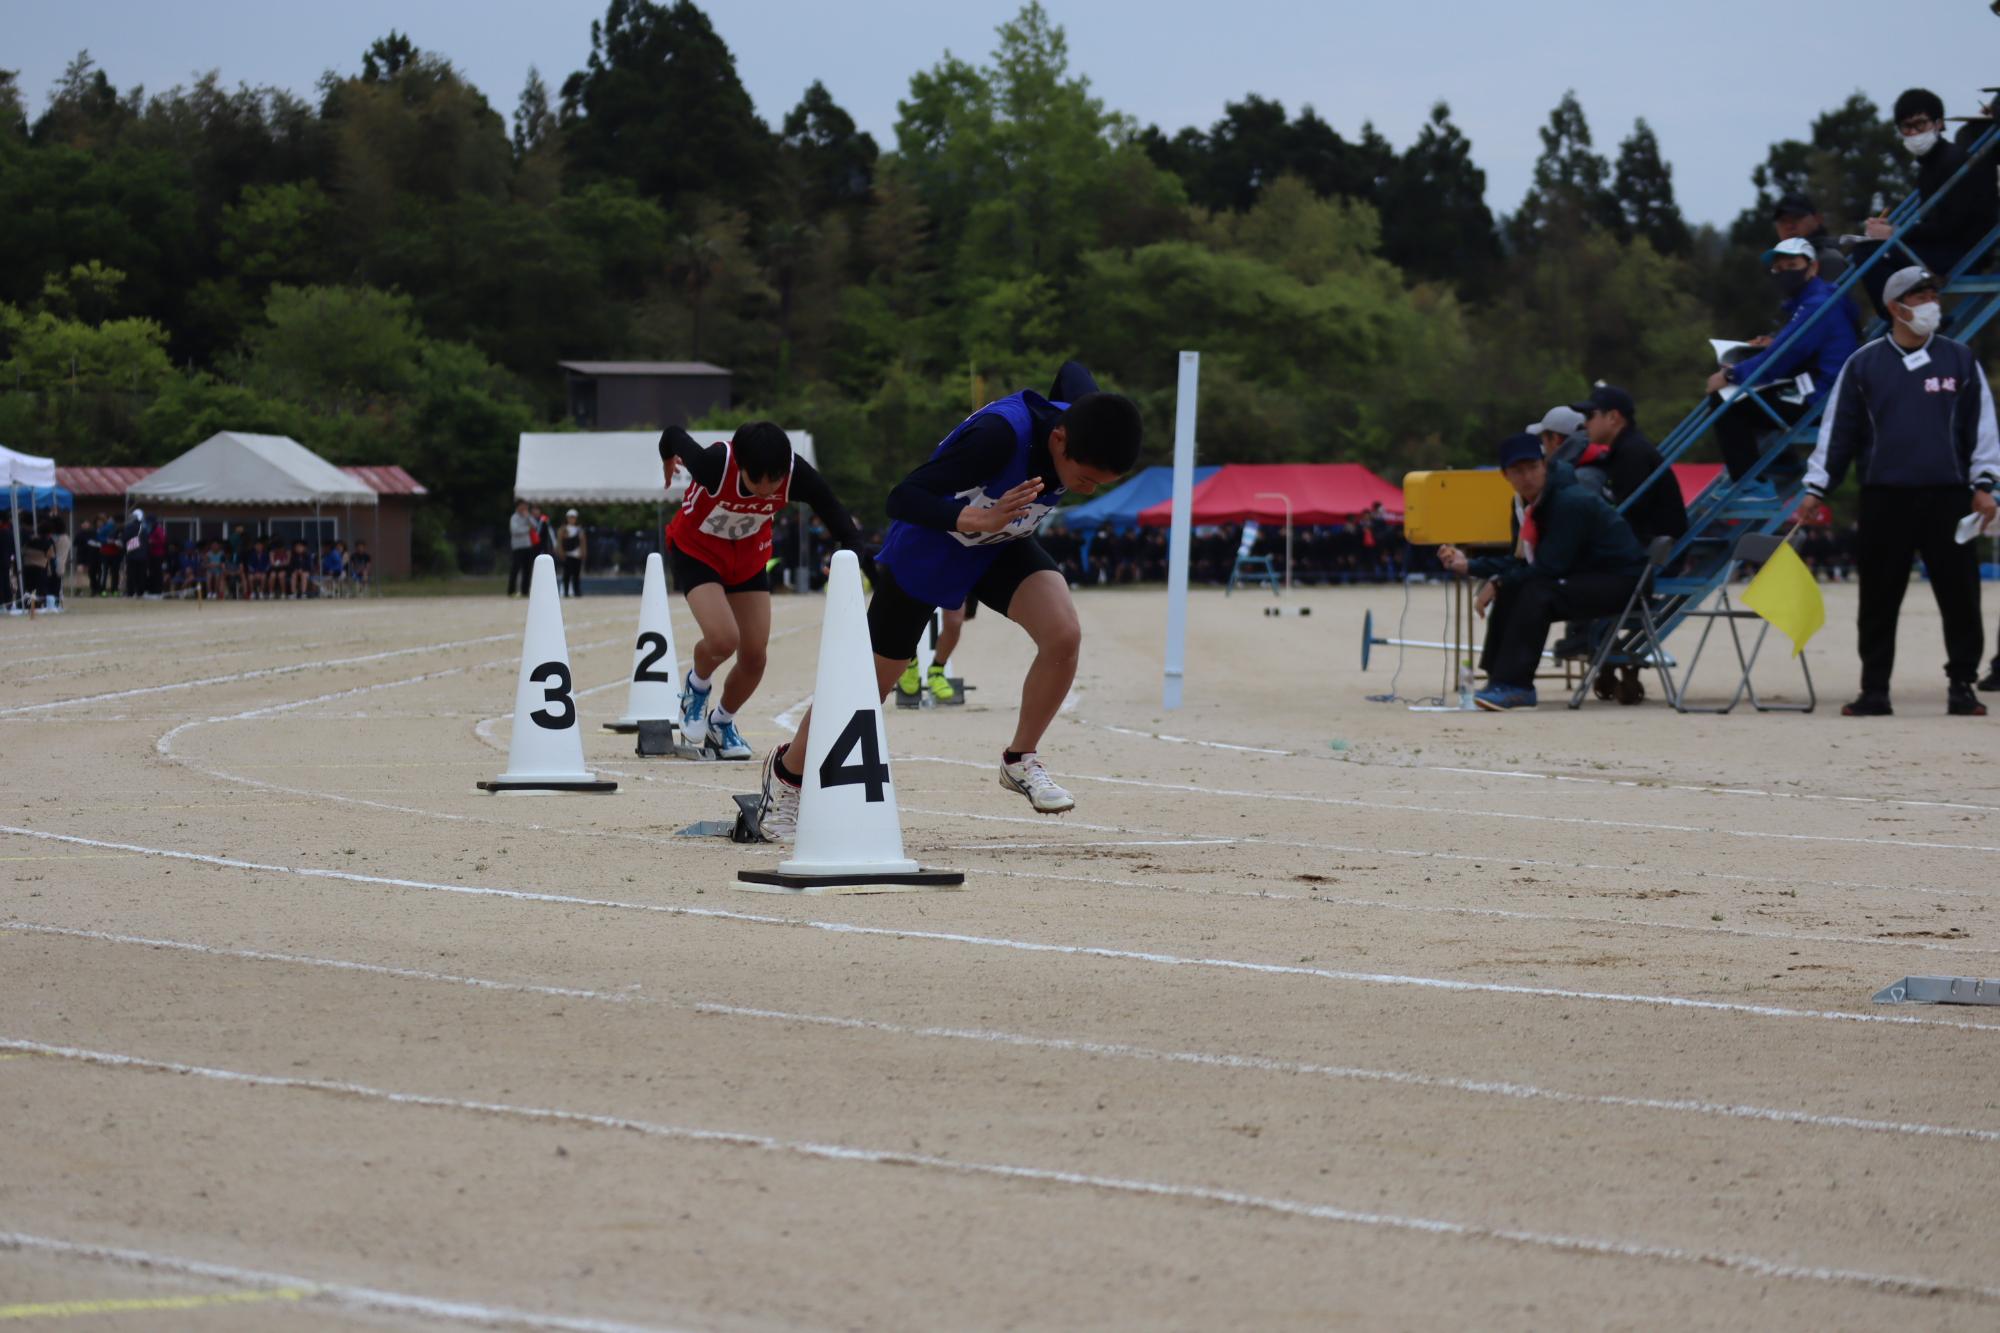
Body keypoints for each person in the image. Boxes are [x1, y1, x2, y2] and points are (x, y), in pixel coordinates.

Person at [756, 362, 1142, 837]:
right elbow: (902, 498)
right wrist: (978, 519)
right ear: (1059, 439)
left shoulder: (1084, 418)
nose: (1086, 490)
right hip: (930, 549)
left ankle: (1019, 759)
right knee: (866, 688)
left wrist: (995, 525)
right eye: (1084, 479)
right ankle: (787, 775)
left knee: (1063, 635)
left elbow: (1073, 370)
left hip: (1001, 544)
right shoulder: (997, 437)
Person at [1799, 266, 1999, 717]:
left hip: (1949, 495)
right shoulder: (1864, 364)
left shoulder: (1959, 359)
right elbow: (1838, 431)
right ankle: (1874, 690)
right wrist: (1817, 487)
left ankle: (1962, 686)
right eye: (1921, 296)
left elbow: (1982, 428)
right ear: (1895, 307)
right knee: (1878, 596)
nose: (1932, 303)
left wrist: (1985, 483)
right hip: (1885, 496)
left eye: (1934, 294)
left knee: (1960, 594)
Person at [658, 420, 870, 760]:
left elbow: (836, 515)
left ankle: (721, 722)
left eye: (775, 481)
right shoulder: (714, 464)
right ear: (741, 464)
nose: (767, 489)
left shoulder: (795, 474)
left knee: (755, 656)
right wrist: (667, 457)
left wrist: (855, 557)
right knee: (723, 639)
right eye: (757, 481)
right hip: (698, 552)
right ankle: (696, 687)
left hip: (748, 557)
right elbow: (673, 434)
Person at [1438, 434, 1649, 711]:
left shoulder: (1569, 502)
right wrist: (1470, 565)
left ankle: (1516, 686)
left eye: (1533, 467)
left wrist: (1498, 583)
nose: (1527, 476)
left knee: (1537, 592)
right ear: (1505, 475)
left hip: (1624, 581)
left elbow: (1550, 567)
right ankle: (1498, 678)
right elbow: (1522, 561)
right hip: (1586, 577)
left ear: (1544, 466)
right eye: (1518, 471)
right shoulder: (1525, 505)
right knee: (1519, 587)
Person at [1704, 236, 1859, 491]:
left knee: (1726, 402)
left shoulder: (1816, 305)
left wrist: (1731, 375)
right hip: (1822, 388)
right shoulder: (1815, 299)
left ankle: (1752, 486)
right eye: (1779, 268)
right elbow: (1793, 348)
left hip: (1823, 397)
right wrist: (1771, 344)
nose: (1785, 273)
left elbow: (1782, 357)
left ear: (1813, 267)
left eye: (1792, 265)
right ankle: (1779, 465)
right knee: (1749, 397)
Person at [1852, 90, 1999, 321]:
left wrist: (1894, 233)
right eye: (1906, 127)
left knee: (1870, 252)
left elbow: (1950, 226)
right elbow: (1935, 224)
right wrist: (1890, 231)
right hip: (1947, 247)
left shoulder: (1954, 162)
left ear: (1938, 123)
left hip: (1962, 253)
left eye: (1920, 124)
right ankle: (1910, 317)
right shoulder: (1932, 165)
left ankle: (1903, 322)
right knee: (1869, 248)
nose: (1913, 132)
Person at [1571, 385, 1688, 548]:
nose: (1585, 424)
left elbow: (1631, 515)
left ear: (1613, 417)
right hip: (1653, 544)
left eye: (1590, 415)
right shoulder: (1628, 448)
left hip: (1656, 550)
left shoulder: (1632, 453)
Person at [507, 500, 534, 596]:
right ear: (518, 507)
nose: (524, 508)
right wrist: (527, 529)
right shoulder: (514, 517)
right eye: (522, 506)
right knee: (515, 568)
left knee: (527, 569)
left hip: (527, 546)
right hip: (517, 547)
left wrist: (528, 517)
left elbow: (535, 525)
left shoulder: (527, 517)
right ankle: (511, 591)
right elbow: (515, 530)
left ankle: (525, 591)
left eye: (526, 506)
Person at [558, 509, 586, 597]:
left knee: (576, 574)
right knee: (566, 574)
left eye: (573, 517)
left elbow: (583, 542)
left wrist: (583, 552)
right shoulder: (563, 529)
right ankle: (566, 592)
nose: (572, 519)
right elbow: (560, 542)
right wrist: (561, 552)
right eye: (570, 517)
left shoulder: (579, 529)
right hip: (567, 555)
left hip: (577, 555)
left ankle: (577, 591)